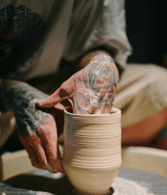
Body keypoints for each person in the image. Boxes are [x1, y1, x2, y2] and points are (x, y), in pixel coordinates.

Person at [0, 1, 166, 174]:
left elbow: (95, 41)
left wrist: (101, 65)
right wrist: (9, 93)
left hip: (48, 89)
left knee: (161, 87)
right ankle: (61, 146)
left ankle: (70, 146)